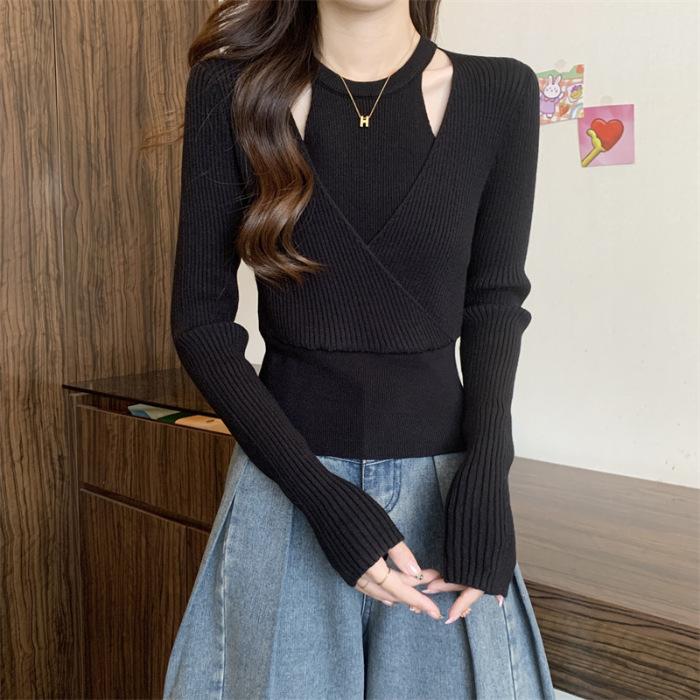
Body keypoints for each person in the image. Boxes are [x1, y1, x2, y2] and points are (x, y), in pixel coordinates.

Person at [163, 0, 555, 697]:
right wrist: (320, 497)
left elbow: (494, 302)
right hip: (287, 485)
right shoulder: (231, 91)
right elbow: (202, 325)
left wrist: (488, 475)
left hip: (443, 502)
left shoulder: (501, 92)